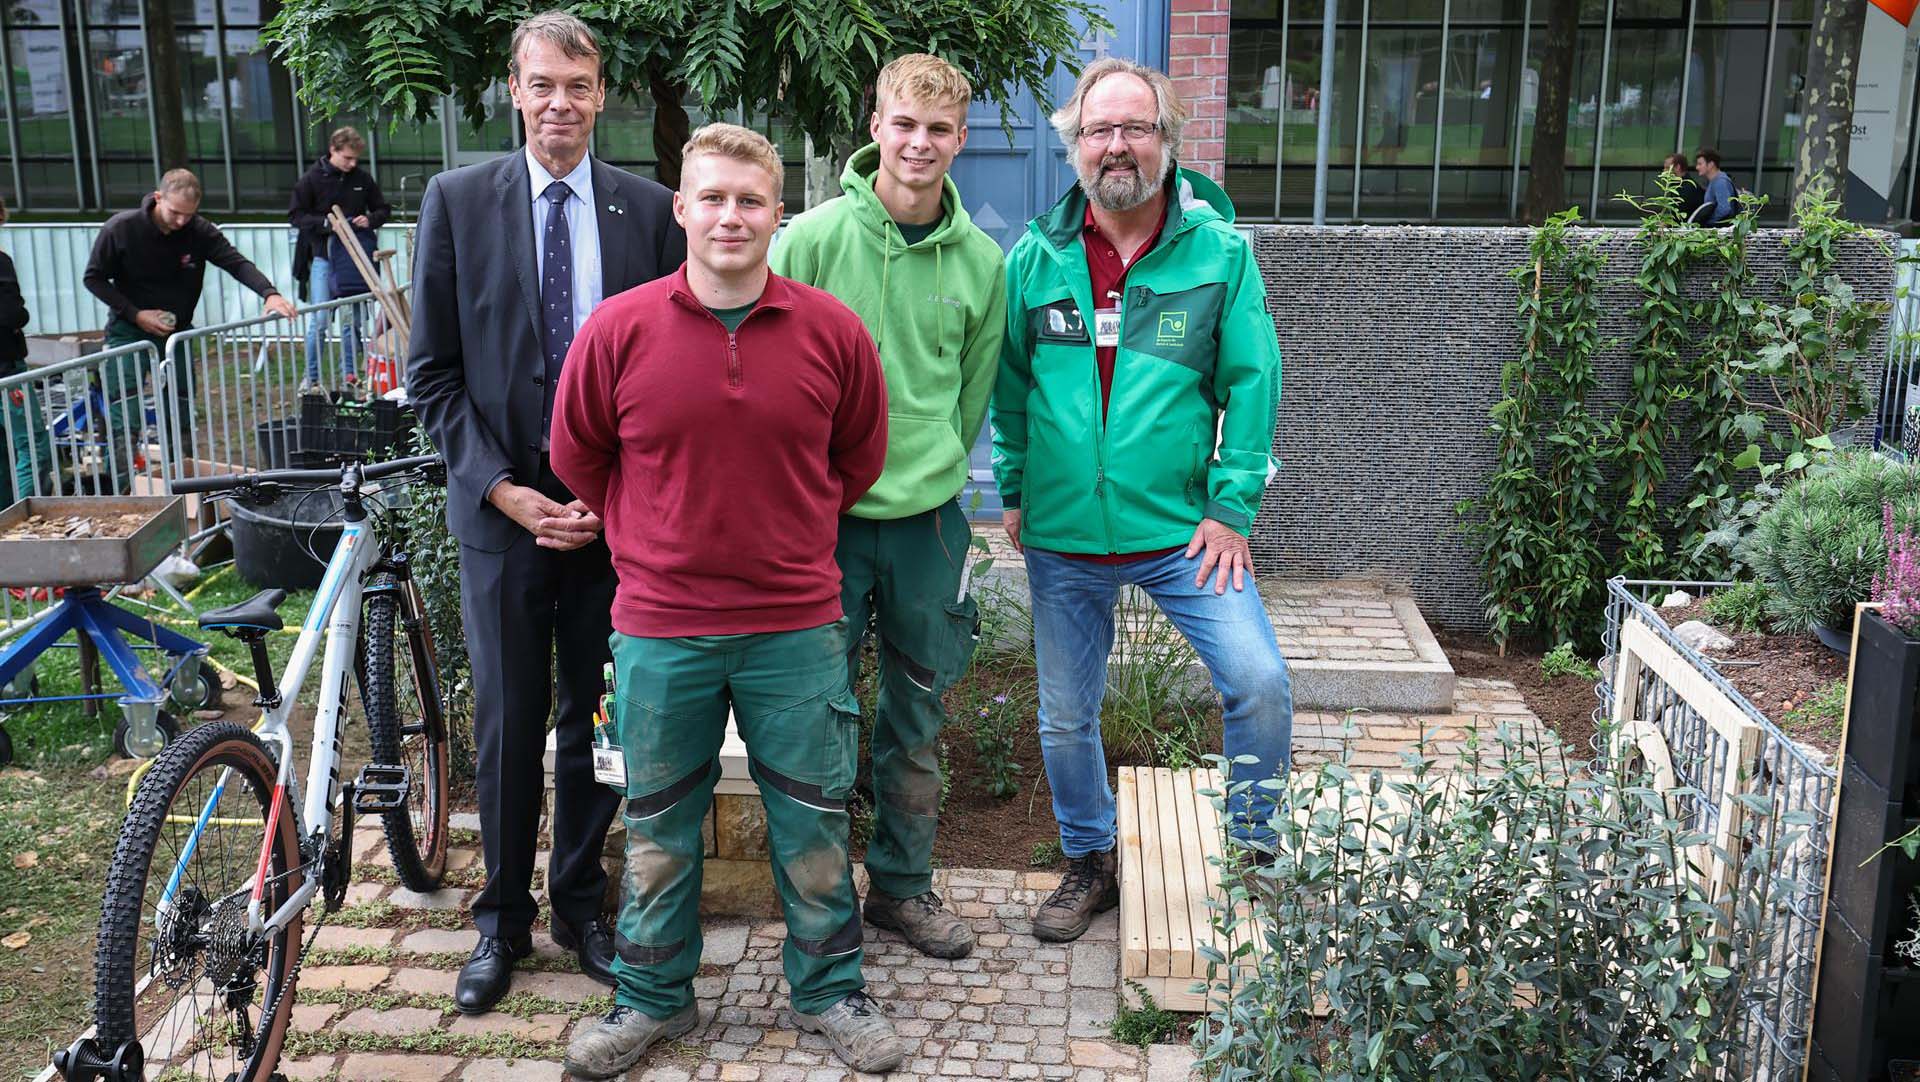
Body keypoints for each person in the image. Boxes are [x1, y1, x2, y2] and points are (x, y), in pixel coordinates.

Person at [551, 123, 903, 1077]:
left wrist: (788, 526)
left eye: (750, 200)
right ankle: (652, 998)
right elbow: (578, 452)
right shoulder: (619, 330)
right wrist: (643, 532)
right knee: (659, 820)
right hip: (662, 625)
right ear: (682, 209)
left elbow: (859, 457)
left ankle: (831, 992)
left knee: (815, 818)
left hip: (795, 622)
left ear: (776, 213)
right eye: (712, 198)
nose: (731, 216)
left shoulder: (832, 331)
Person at [405, 10, 686, 1016]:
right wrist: (506, 490)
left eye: (577, 84)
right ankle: (500, 918)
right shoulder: (456, 201)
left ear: (600, 93)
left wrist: (610, 494)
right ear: (514, 93)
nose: (559, 102)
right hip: (501, 513)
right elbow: (433, 373)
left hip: (614, 519)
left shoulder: (650, 213)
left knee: (600, 717)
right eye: (540, 84)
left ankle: (580, 903)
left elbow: (670, 370)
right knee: (511, 716)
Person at [990, 57, 1293, 943]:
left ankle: (1257, 853)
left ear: (1168, 140)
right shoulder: (1036, 257)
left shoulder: (1220, 255)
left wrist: (1232, 510)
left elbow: (1255, 383)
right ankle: (1090, 862)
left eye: (1134, 127)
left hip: (1180, 533)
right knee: (1064, 715)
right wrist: (1014, 489)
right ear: (1075, 145)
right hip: (1064, 535)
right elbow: (1010, 389)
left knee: (1261, 682)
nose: (1115, 145)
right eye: (1098, 130)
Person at [769, 53, 1006, 961]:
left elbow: (971, 398)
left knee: (917, 715)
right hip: (817, 521)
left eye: (939, 130)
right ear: (876, 128)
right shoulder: (810, 241)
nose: (920, 143)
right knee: (816, 715)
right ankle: (820, 905)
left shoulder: (982, 263)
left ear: (960, 141)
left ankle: (903, 890)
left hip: (926, 524)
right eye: (905, 124)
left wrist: (931, 470)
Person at [83, 168, 296, 457]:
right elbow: (93, 278)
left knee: (180, 408)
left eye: (189, 214)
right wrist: (135, 314)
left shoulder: (198, 231)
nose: (182, 221)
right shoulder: (120, 229)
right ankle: (124, 492)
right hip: (128, 331)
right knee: (124, 409)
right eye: (175, 213)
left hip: (176, 332)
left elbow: (236, 263)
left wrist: (269, 293)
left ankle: (182, 485)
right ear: (158, 198)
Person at [289, 125, 391, 392]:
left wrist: (369, 219)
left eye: (356, 158)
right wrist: (326, 223)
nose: (352, 163)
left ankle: (350, 375)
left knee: (351, 321)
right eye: (347, 158)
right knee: (320, 320)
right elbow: (296, 216)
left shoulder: (362, 179)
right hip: (324, 257)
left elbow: (383, 208)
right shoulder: (311, 179)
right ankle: (311, 378)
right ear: (333, 150)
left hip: (353, 258)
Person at [1, 191, 49, 506]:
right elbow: (11, 314)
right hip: (6, 368)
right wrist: (21, 317)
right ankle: (23, 519)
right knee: (33, 446)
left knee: (5, 452)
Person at [1695, 147, 1738, 226]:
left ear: (1711, 164)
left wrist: (1708, 222)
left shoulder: (1720, 182)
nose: (1697, 167)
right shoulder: (1716, 181)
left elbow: (1725, 209)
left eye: (1700, 164)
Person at [1662, 152, 1705, 222]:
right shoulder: (1677, 185)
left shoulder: (1688, 188)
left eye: (1667, 168)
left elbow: (1679, 216)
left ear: (1678, 167)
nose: (1664, 171)